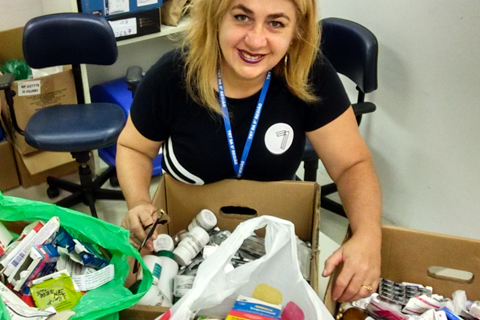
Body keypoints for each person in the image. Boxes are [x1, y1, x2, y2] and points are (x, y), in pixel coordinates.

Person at [116, 0, 382, 303]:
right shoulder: (173, 76)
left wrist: (368, 234)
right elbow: (133, 148)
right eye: (242, 17)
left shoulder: (309, 73)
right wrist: (138, 201)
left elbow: (352, 164)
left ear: (297, 30)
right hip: (186, 234)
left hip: (272, 232)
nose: (256, 40)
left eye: (276, 23)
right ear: (216, 19)